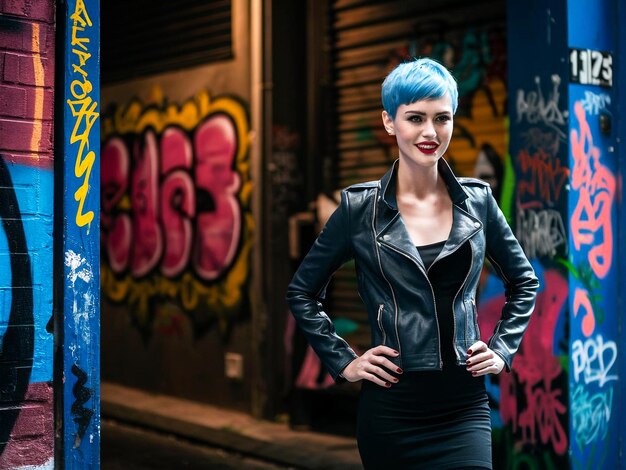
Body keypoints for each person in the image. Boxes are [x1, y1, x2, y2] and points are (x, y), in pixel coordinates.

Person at [286, 58, 538, 469]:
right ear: (389, 122)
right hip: (392, 409)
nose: (429, 132)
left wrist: (503, 349)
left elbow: (524, 281)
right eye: (415, 117)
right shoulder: (359, 209)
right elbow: (302, 291)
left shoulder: (478, 202)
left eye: (442, 118)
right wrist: (344, 360)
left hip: (464, 405)